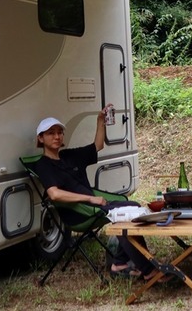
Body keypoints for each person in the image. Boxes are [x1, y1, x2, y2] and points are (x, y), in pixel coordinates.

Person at [33, 108, 158, 280]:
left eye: (60, 132)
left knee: (134, 207)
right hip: (78, 212)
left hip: (94, 206)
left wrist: (101, 121)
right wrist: (90, 198)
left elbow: (97, 146)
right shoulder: (43, 165)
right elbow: (54, 194)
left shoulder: (69, 156)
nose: (57, 137)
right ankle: (148, 270)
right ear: (41, 138)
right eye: (51, 133)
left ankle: (121, 262)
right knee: (122, 215)